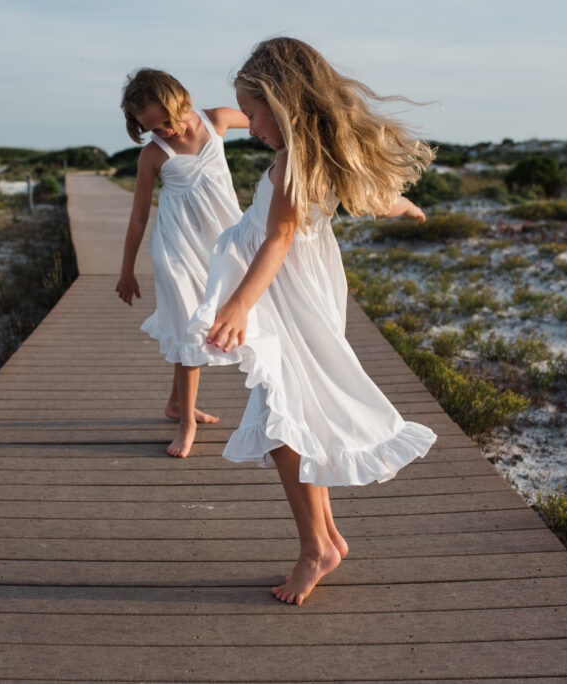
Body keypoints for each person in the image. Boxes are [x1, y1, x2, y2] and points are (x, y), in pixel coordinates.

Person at [188, 38, 438, 604]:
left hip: (285, 298)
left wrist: (238, 305)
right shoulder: (314, 155)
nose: (250, 128)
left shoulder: (291, 163)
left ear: (284, 103)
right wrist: (398, 204)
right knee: (292, 418)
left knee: (284, 425)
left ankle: (314, 549)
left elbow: (277, 237)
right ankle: (323, 537)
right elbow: (365, 196)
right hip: (297, 291)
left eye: (253, 114)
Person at [116, 69, 249, 458]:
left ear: (181, 101)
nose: (164, 132)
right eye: (151, 127)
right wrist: (126, 270)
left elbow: (269, 121)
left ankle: (176, 403)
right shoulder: (153, 154)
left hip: (221, 244)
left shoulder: (218, 119)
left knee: (198, 324)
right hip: (175, 248)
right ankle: (186, 421)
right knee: (191, 330)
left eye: (167, 122)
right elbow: (139, 216)